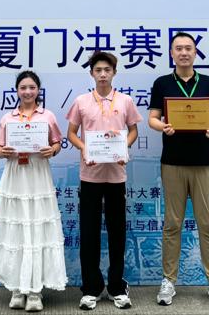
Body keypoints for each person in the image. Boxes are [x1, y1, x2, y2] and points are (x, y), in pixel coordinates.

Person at [147, 32, 209, 308]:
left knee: (206, 223)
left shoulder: (208, 83)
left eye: (188, 48)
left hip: (203, 163)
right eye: (178, 48)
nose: (183, 52)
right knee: (172, 224)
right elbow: (152, 118)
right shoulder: (162, 83)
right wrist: (163, 126)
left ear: (195, 53)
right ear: (171, 53)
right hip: (172, 163)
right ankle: (168, 280)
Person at [0, 71, 67, 312]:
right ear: (17, 90)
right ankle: (16, 288)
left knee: (36, 227)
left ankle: (35, 291)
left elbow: (57, 143)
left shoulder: (47, 116)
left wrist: (52, 150)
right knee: (15, 229)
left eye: (32, 87)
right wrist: (3, 152)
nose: (27, 91)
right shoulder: (8, 118)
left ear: (38, 90)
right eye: (23, 87)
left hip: (38, 174)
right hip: (15, 175)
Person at [66, 52, 142, 310]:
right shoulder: (81, 101)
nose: (102, 74)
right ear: (91, 73)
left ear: (114, 73)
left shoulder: (125, 101)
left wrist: (124, 147)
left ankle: (117, 287)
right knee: (89, 233)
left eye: (107, 70)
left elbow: (133, 130)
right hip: (89, 176)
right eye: (98, 70)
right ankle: (92, 288)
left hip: (116, 176)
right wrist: (84, 148)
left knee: (117, 232)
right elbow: (71, 133)